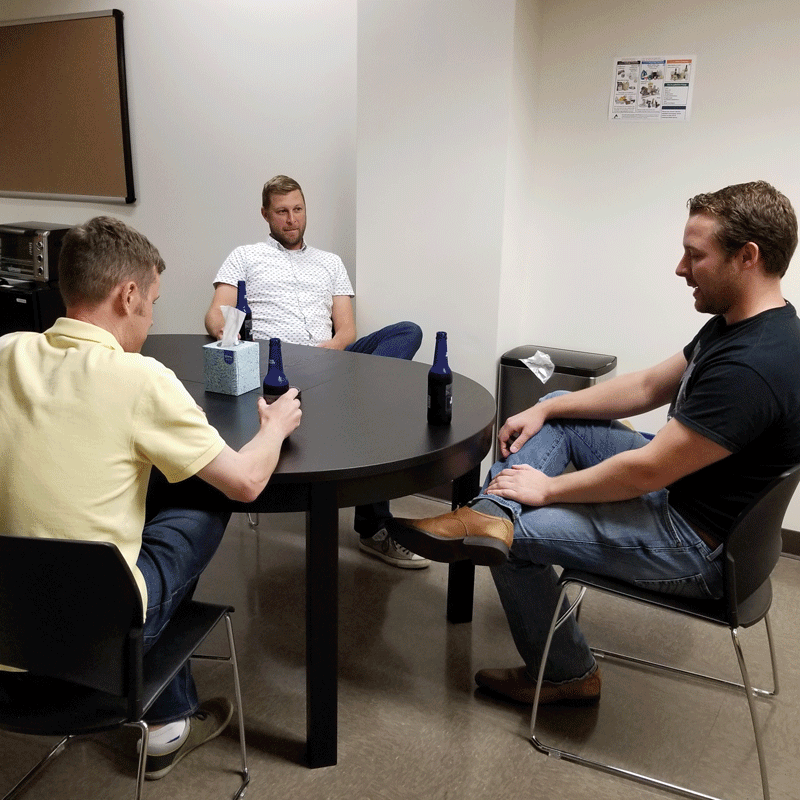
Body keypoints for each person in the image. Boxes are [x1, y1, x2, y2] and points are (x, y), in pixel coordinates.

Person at [389, 181, 800, 706]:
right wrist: (546, 405)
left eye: (694, 255)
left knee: (509, 541)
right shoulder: (743, 326)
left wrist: (548, 492)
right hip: (687, 498)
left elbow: (647, 471)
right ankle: (490, 509)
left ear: (748, 257)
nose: (680, 268)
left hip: (693, 544)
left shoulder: (753, 366)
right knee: (563, 414)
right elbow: (651, 386)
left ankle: (566, 673)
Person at [0, 217, 301, 779]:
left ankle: (168, 713)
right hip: (93, 641)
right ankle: (165, 729)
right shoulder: (142, 379)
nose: (154, 318)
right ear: (128, 294)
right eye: (154, 302)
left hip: (5, 633)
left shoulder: (5, 352)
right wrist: (275, 428)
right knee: (205, 502)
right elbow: (247, 482)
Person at [205, 174, 429, 569]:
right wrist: (236, 336)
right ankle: (376, 529)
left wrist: (332, 353)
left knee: (407, 332)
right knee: (374, 414)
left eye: (298, 209)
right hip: (280, 366)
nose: (291, 219)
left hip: (336, 362)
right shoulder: (245, 256)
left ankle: (366, 395)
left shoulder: (330, 262)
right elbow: (215, 316)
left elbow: (347, 331)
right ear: (265, 215)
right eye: (282, 212)